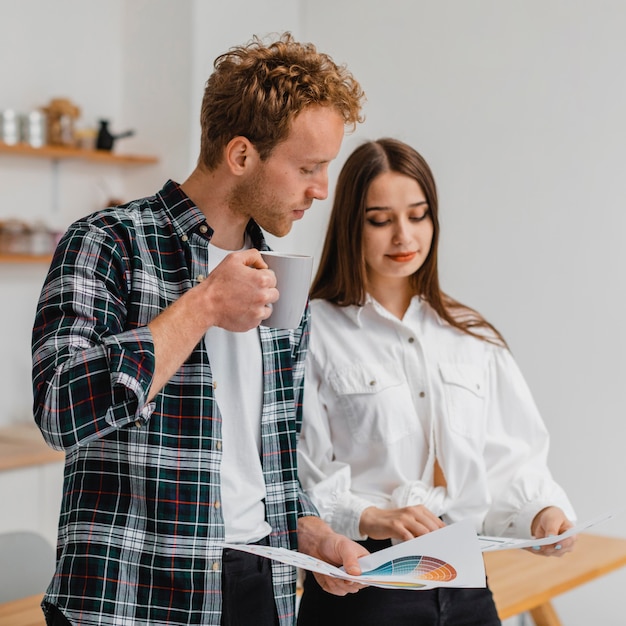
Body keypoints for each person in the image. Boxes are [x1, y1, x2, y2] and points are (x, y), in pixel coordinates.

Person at [31, 33, 368, 626]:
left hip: (259, 582)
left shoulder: (281, 275)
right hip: (132, 596)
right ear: (241, 156)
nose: (320, 189)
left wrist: (312, 535)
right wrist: (202, 305)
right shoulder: (106, 242)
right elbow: (59, 410)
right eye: (308, 168)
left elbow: (270, 455)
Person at [296, 137, 577, 625]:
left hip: (466, 585)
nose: (403, 236)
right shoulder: (312, 331)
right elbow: (297, 474)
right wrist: (372, 517)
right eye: (380, 220)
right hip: (366, 587)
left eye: (418, 215)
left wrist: (541, 513)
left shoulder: (471, 336)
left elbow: (509, 460)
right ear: (350, 227)